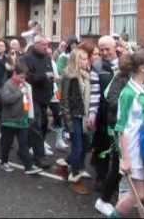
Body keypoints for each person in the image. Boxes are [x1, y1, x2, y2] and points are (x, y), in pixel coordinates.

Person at [111, 50, 144, 218]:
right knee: (137, 194)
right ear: (141, 68)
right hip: (134, 151)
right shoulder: (128, 93)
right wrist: (125, 158)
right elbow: (122, 128)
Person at [92, 36, 120, 217]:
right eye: (101, 49)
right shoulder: (97, 67)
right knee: (102, 145)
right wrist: (92, 113)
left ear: (115, 47)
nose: (104, 52)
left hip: (120, 113)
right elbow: (94, 92)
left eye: (107, 49)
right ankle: (101, 177)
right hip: (103, 113)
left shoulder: (126, 64)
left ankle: (117, 181)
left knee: (118, 150)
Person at [58, 49, 93, 195]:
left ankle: (65, 163)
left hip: (83, 115)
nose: (86, 61)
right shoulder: (69, 76)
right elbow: (64, 100)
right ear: (75, 60)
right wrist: (68, 122)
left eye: (86, 59)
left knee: (85, 145)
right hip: (73, 116)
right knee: (78, 148)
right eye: (82, 59)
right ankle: (75, 177)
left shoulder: (85, 75)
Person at [0, 62, 43, 175]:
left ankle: (28, 166)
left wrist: (30, 116)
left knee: (23, 144)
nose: (23, 79)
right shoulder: (8, 84)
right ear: (14, 74)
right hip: (9, 121)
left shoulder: (25, 85)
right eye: (21, 77)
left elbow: (28, 102)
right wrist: (20, 92)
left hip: (22, 120)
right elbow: (6, 99)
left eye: (24, 77)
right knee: (7, 143)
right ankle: (4, 162)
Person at [20, 35, 54, 169]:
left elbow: (50, 74)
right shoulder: (26, 58)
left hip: (45, 97)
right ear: (36, 44)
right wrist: (43, 77)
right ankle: (39, 157)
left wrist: (51, 88)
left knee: (44, 125)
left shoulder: (47, 58)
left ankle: (24, 148)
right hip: (31, 96)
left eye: (47, 45)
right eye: (44, 45)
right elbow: (25, 77)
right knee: (36, 126)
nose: (46, 47)